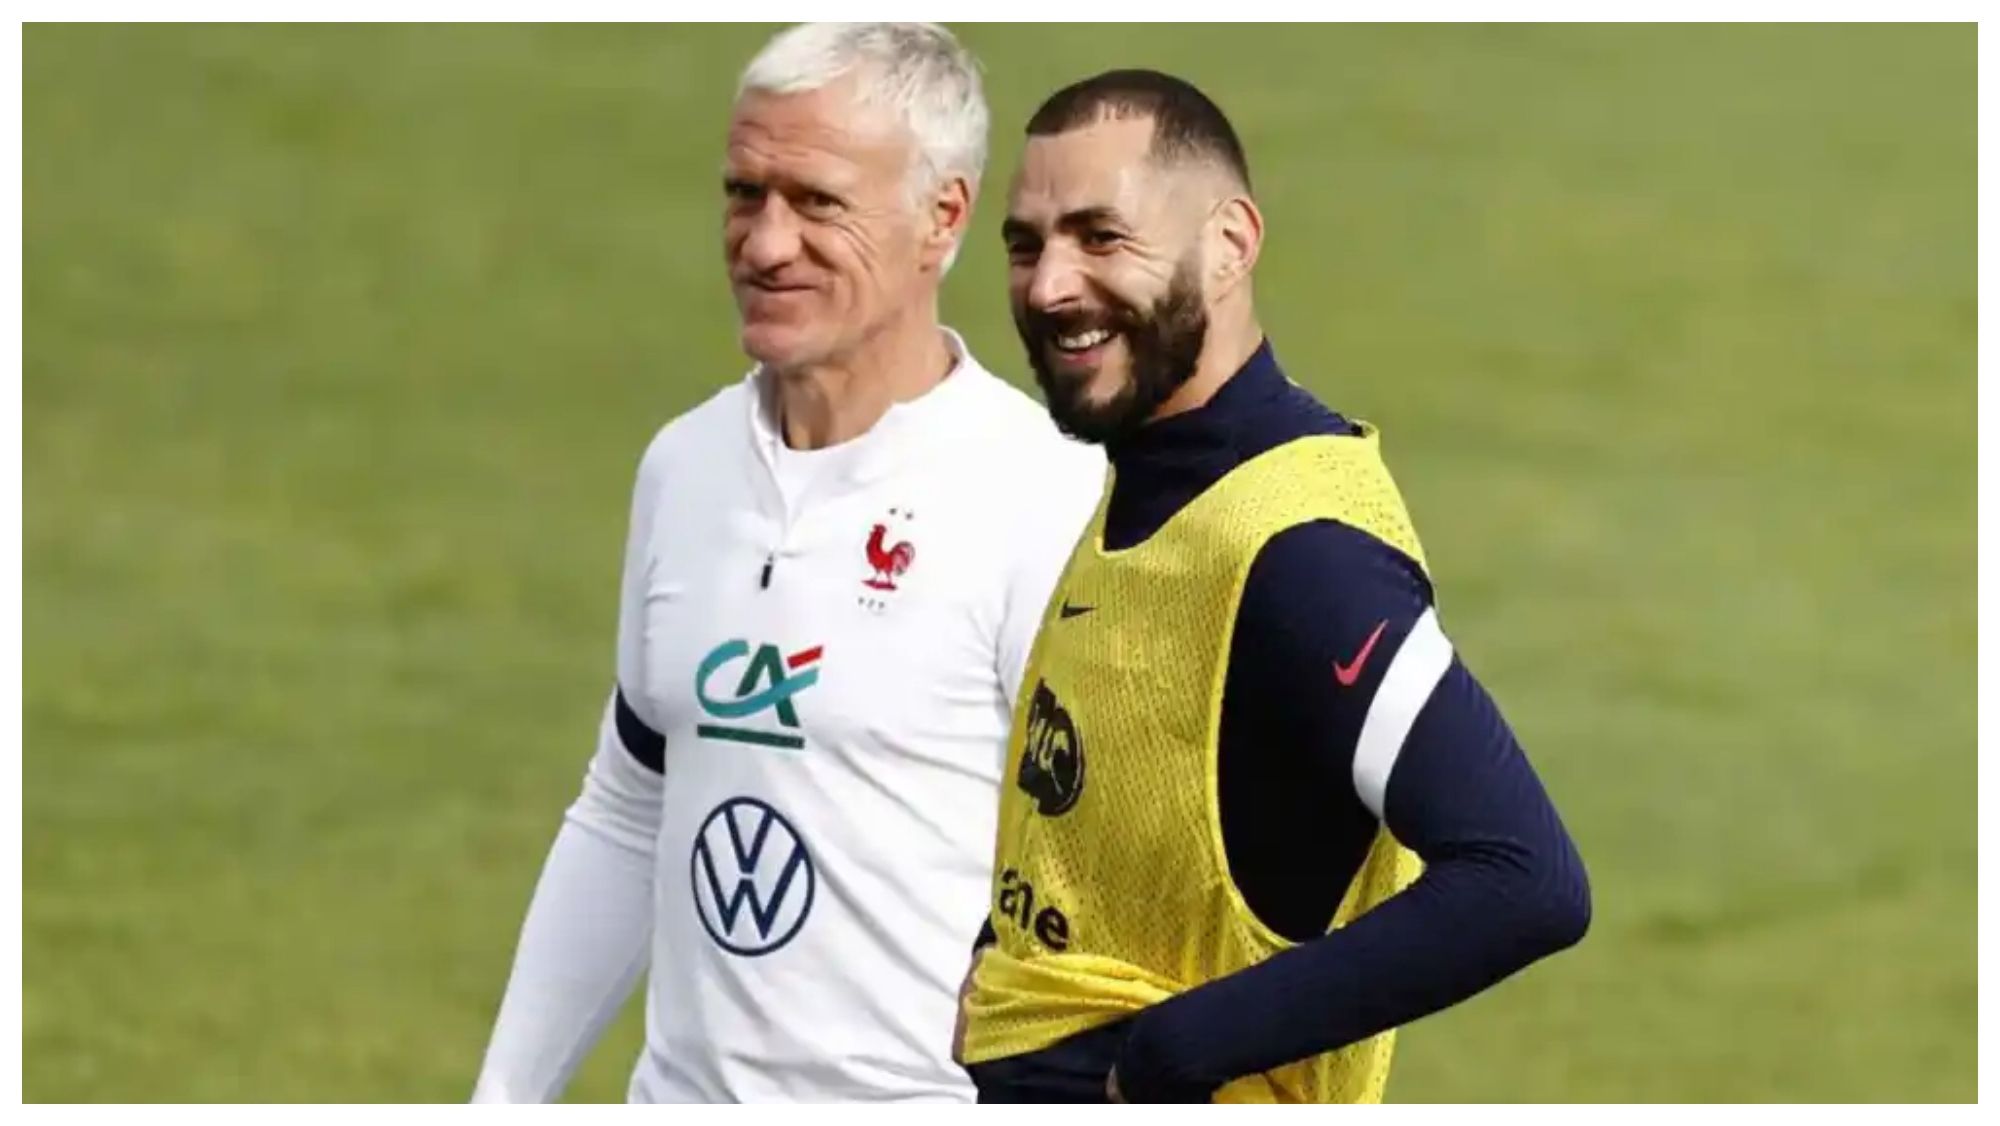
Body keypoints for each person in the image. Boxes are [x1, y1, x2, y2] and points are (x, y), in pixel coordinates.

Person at [471, 24, 1104, 1103]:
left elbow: (1115, 879)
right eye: (742, 193)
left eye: (815, 203)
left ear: (939, 220)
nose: (765, 244)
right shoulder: (684, 467)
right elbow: (630, 803)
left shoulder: (1046, 498)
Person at [956, 69, 1591, 1103]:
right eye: (1026, 245)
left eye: (1099, 236)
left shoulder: (1298, 552)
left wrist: (1164, 1058)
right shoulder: (1148, 479)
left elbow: (1525, 879)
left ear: (1229, 242)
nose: (1048, 285)